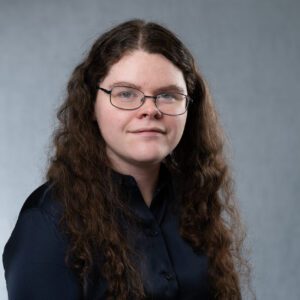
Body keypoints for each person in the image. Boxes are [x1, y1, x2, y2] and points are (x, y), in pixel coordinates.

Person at [2, 19, 251, 299]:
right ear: (91, 106)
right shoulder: (46, 224)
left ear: (189, 107)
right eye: (126, 94)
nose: (150, 110)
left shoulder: (195, 201)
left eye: (168, 95)